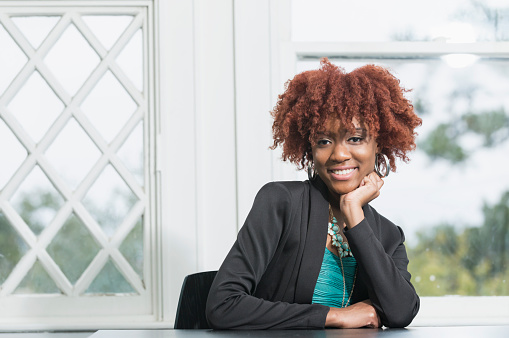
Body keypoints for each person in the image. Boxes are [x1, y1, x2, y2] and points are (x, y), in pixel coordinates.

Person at [205, 58, 422, 329]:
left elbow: (401, 312)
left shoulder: (388, 236)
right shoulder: (281, 202)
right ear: (310, 149)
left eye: (355, 138)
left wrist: (354, 213)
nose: (339, 154)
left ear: (380, 144)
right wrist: (336, 316)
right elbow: (223, 305)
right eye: (324, 141)